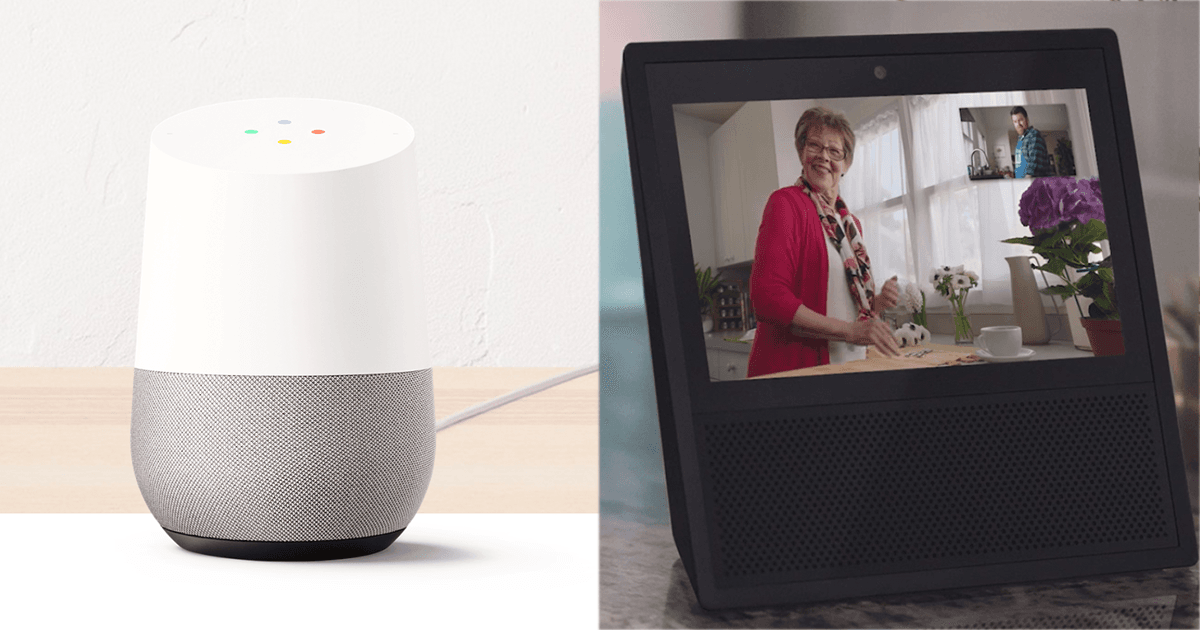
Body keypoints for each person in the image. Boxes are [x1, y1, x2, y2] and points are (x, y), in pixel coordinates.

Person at [746, 106, 900, 378]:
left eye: (834, 151)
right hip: (797, 368)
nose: (823, 157)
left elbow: (842, 302)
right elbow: (768, 297)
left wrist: (876, 303)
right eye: (814, 146)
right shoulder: (786, 203)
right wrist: (851, 332)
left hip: (849, 365)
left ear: (846, 163)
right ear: (801, 152)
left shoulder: (851, 224)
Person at [1010, 106, 1054, 178]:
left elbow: (1033, 164)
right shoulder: (1021, 139)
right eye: (1015, 122)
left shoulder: (1033, 135)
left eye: (1020, 120)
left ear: (1026, 120)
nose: (1018, 124)